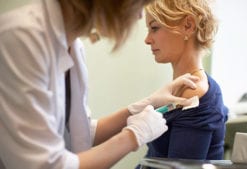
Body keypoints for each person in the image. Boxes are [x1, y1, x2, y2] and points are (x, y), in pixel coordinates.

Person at [0, 0, 200, 168]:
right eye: (139, 3)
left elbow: (80, 132)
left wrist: (140, 106)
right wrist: (133, 136)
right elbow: (47, 165)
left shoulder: (74, 45)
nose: (139, 15)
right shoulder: (20, 39)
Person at [141, 0, 229, 162]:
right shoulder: (180, 89)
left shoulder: (193, 91)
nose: (147, 40)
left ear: (188, 26)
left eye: (154, 28)